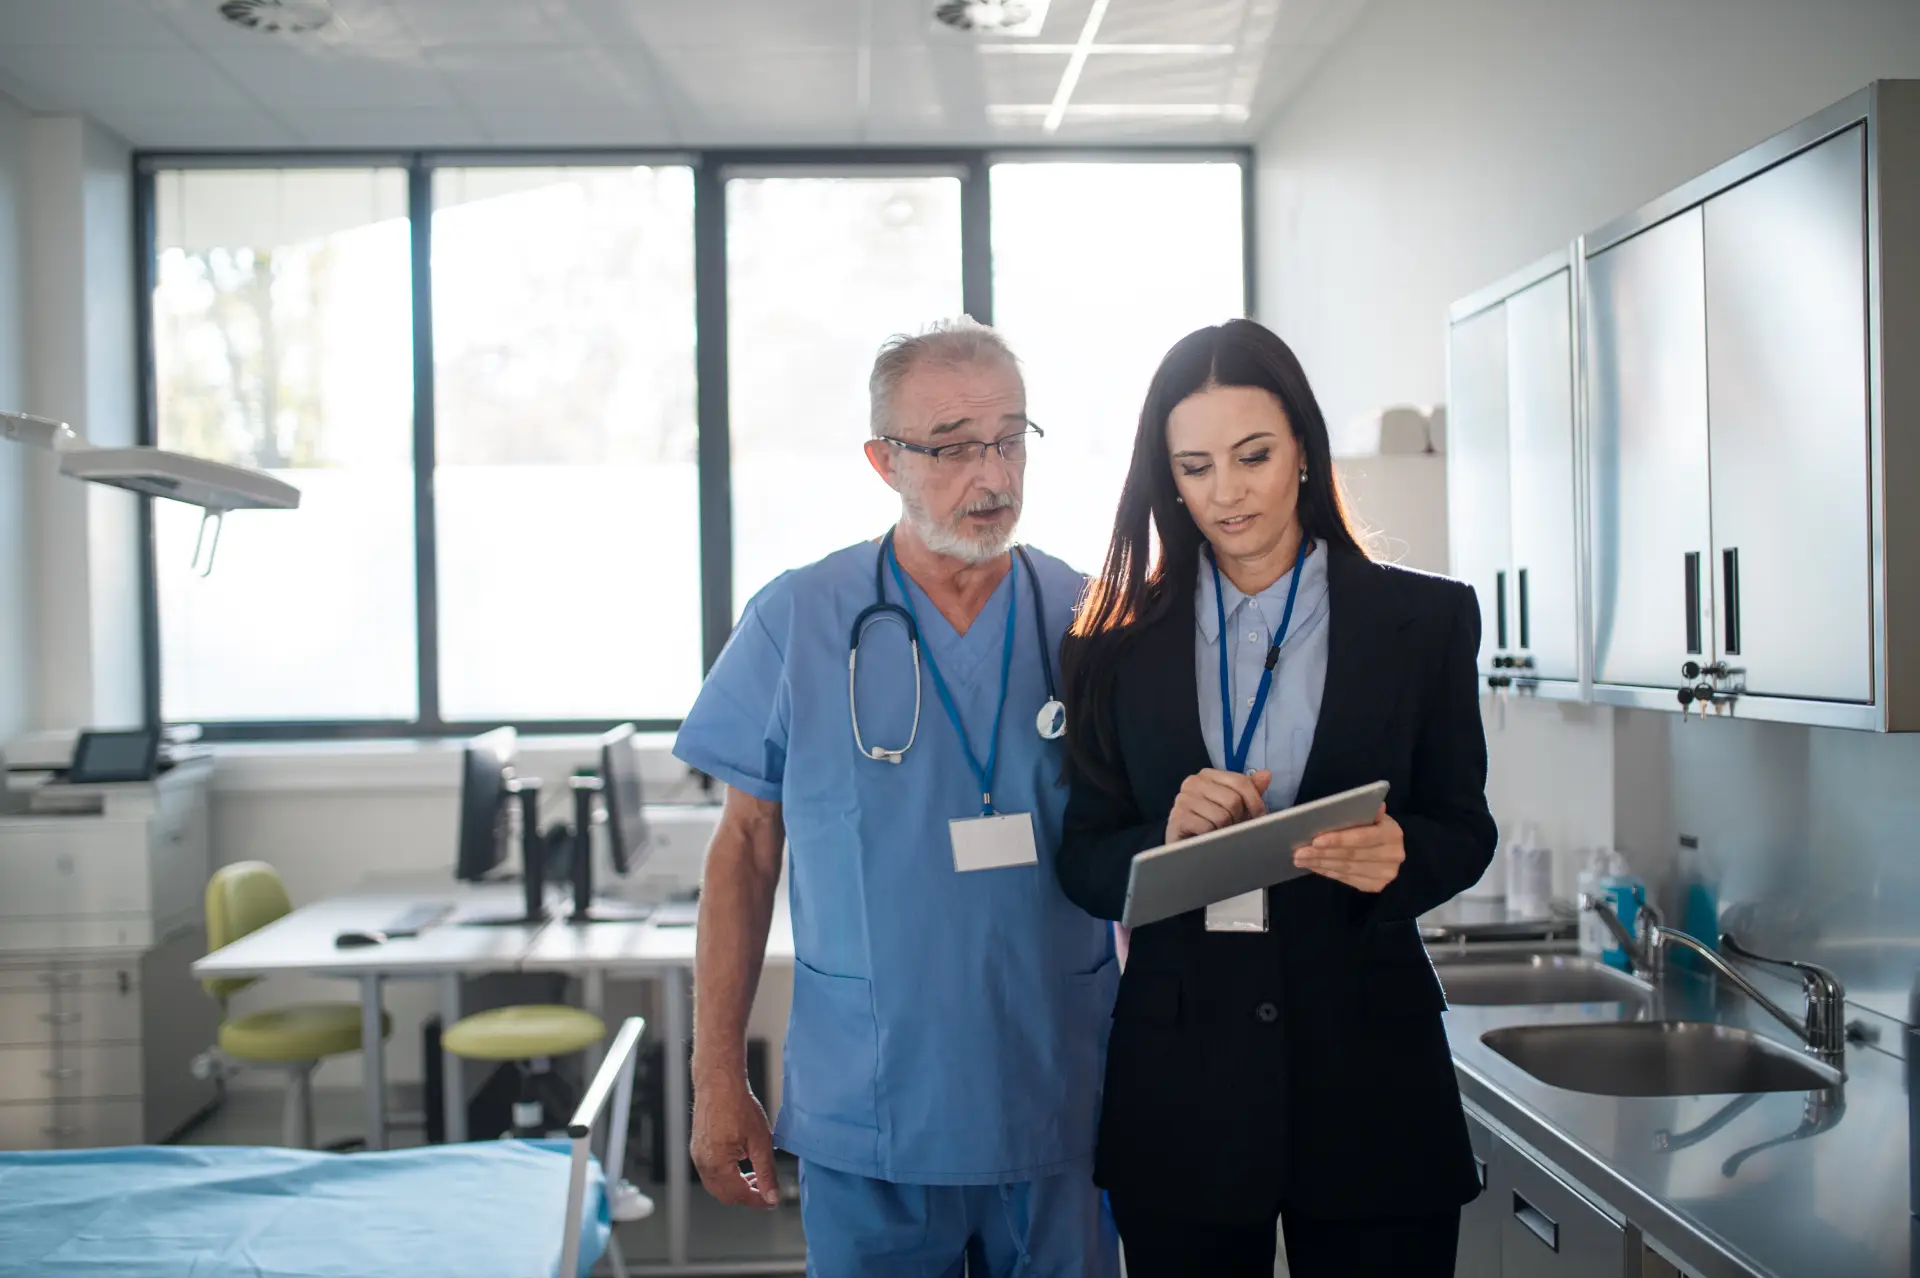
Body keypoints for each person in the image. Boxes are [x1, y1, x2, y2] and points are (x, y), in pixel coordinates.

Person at [674, 318, 1120, 1278]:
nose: (992, 474)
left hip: (1060, 1091)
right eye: (955, 445)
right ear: (884, 461)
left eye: (1009, 438)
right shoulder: (799, 618)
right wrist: (717, 1076)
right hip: (872, 1098)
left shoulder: (1089, 619)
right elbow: (746, 850)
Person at [1054, 318, 1496, 1278]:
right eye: (1197, 465)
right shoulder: (1110, 646)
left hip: (1375, 1079)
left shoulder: (1425, 621)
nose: (1228, 491)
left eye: (1253, 455)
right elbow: (1082, 859)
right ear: (1167, 476)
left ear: (1302, 448)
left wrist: (1402, 858)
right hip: (1183, 1089)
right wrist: (1161, 840)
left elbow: (1465, 826)